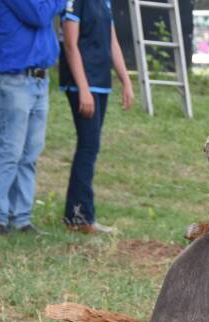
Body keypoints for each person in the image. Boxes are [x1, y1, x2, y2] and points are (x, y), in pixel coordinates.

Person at [0, 0, 66, 235]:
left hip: (38, 78)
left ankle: (20, 218)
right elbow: (39, 16)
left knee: (30, 153)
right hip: (14, 79)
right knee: (11, 150)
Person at [59, 0, 134, 235]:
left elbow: (112, 41)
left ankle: (78, 215)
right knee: (88, 147)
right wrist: (83, 87)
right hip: (83, 85)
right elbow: (71, 45)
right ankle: (79, 216)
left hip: (100, 84)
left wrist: (126, 80)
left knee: (90, 147)